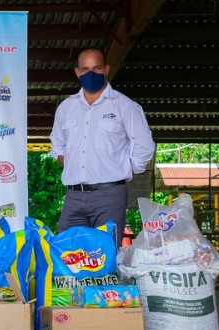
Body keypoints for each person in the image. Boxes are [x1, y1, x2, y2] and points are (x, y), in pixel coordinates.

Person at [49, 48, 155, 249]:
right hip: (74, 196)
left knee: (103, 257)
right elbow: (57, 145)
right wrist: (73, 164)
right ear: (77, 72)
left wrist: (123, 169)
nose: (91, 74)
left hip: (109, 196)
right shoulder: (66, 107)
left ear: (106, 70)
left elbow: (144, 146)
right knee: (66, 254)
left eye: (96, 68)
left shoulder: (125, 106)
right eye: (85, 69)